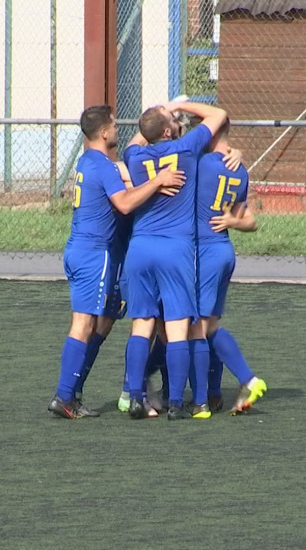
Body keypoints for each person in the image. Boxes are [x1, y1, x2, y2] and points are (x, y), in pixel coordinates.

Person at [48, 105, 185, 419]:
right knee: (83, 325)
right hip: (95, 254)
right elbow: (123, 203)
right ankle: (64, 396)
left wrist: (155, 117)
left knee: (104, 322)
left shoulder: (90, 161)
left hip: (84, 251)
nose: (118, 129)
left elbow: (132, 152)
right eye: (114, 125)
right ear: (104, 132)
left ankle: (74, 390)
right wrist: (157, 181)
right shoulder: (105, 167)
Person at [121, 100, 228, 420]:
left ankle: (136, 396)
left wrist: (156, 119)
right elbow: (218, 115)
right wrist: (180, 104)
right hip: (175, 249)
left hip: (139, 249)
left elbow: (138, 138)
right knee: (179, 326)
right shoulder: (186, 148)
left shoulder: (135, 155)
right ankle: (177, 404)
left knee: (142, 324)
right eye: (172, 119)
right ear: (169, 130)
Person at [192, 118, 267, 415]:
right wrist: (233, 221)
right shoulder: (239, 169)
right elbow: (250, 221)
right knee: (207, 324)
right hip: (223, 251)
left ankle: (247, 379)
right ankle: (213, 394)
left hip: (206, 253)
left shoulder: (201, 164)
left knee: (203, 327)